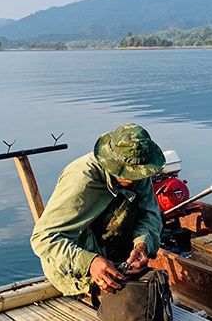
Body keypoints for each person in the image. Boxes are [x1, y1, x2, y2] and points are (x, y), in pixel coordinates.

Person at [31, 123, 166, 296]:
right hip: (77, 266)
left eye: (138, 173)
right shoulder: (81, 180)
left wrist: (142, 245)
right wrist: (90, 263)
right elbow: (42, 238)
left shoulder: (141, 171)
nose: (133, 180)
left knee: (159, 217)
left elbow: (150, 214)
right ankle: (91, 282)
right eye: (129, 174)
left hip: (115, 254)